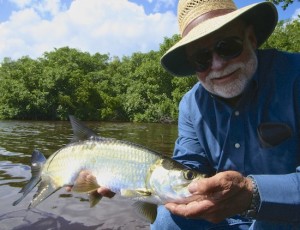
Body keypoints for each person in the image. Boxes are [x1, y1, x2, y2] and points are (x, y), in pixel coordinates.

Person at [150, 0, 300, 229]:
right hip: (221, 218)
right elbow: (188, 166)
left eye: (228, 46)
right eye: (202, 58)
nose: (217, 65)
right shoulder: (190, 105)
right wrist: (127, 178)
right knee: (168, 221)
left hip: (290, 217)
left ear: (251, 38)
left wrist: (252, 193)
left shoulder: (295, 77)